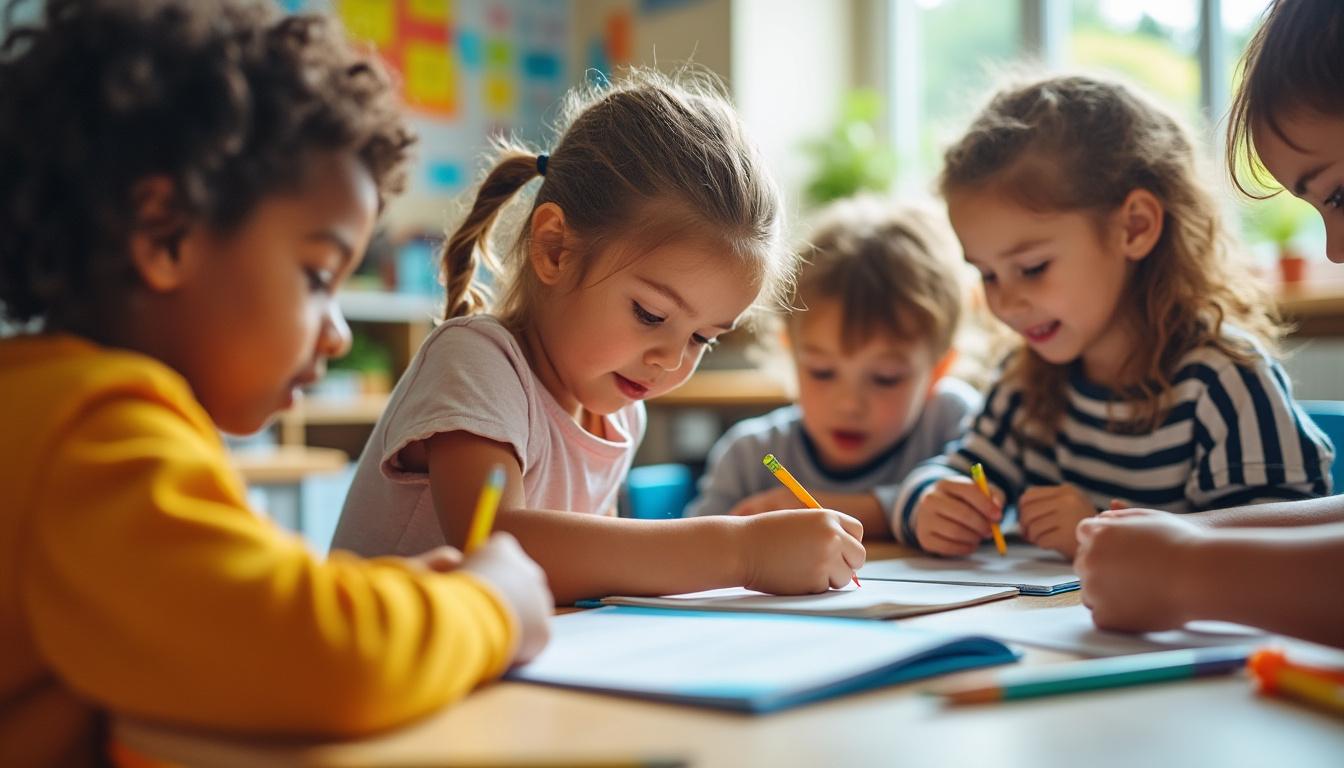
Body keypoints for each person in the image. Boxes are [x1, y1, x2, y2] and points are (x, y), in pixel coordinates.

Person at [0, 2, 550, 762]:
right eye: (318, 276)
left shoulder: (46, 407)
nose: (340, 330)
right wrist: (489, 606)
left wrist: (397, 604)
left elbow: (232, 631)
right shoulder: (92, 432)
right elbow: (325, 660)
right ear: (167, 236)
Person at [332, 69, 865, 604]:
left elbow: (595, 577)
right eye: (651, 315)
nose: (670, 360)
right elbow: (496, 551)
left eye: (703, 338)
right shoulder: (476, 361)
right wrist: (743, 552)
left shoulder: (621, 414)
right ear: (555, 249)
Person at [897, 73, 1332, 560]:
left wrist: (1102, 530)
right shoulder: (1024, 384)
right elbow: (954, 469)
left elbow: (1284, 545)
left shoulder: (1223, 382)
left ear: (1136, 227)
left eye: (1032, 268)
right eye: (988, 275)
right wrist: (931, 503)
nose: (1006, 302)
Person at [1076, 0, 1344, 650]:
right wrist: (1190, 532)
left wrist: (1186, 571)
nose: (1334, 251)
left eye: (1339, 193)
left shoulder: (1223, 374)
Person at [686, 196, 981, 540]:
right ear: (791, 354)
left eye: (885, 378)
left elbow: (999, 515)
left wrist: (860, 512)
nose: (849, 404)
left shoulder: (956, 424)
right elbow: (693, 556)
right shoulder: (750, 459)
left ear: (938, 370)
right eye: (822, 372)